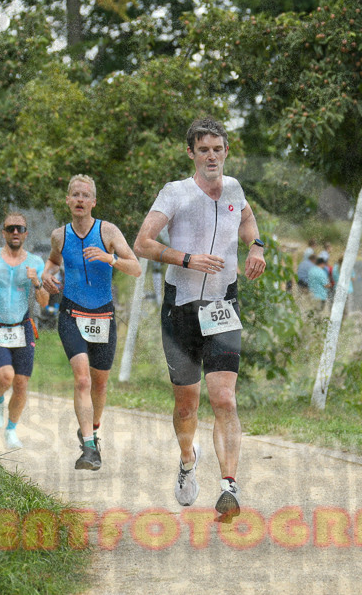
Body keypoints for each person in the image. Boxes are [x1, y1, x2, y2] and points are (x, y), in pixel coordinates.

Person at [134, 116, 267, 518]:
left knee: (223, 398)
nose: (212, 156)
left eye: (218, 149)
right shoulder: (175, 193)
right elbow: (142, 242)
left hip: (223, 302)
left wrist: (256, 247)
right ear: (191, 153)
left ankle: (229, 486)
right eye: (203, 150)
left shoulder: (234, 189)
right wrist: (187, 258)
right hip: (182, 306)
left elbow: (246, 218)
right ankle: (188, 460)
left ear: (227, 150)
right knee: (187, 405)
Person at [42, 175, 142, 471]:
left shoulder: (108, 231)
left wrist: (109, 258)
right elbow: (52, 262)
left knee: (99, 385)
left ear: (94, 202)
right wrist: (48, 275)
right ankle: (88, 448)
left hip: (103, 316)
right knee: (83, 379)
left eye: (86, 195)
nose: (80, 200)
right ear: (68, 201)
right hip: (71, 313)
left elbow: (135, 268)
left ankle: (93, 430)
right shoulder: (59, 236)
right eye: (75, 195)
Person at [0, 213, 49, 450]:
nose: (15, 232)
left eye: (20, 228)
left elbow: (44, 301)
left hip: (23, 328)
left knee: (21, 384)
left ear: (26, 233)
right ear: (3, 232)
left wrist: (36, 283)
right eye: (10, 228)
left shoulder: (35, 262)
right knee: (5, 376)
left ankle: (11, 430)